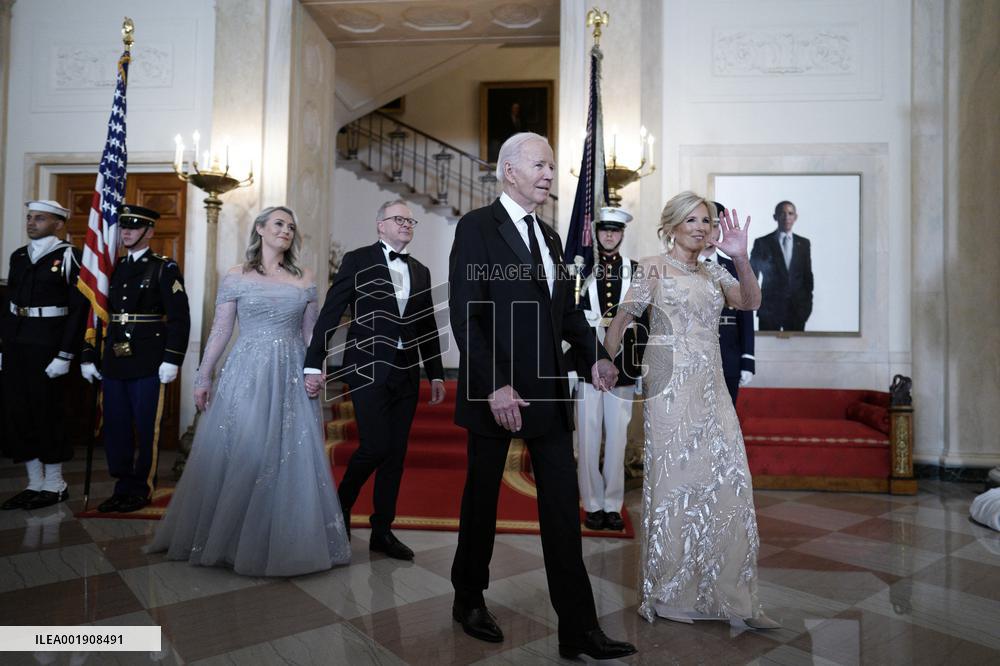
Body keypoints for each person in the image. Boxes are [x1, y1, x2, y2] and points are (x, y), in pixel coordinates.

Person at [448, 132, 637, 660]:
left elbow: (568, 315)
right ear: (510, 171)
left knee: (560, 510)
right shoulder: (476, 228)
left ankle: (578, 628)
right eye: (541, 165)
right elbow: (468, 312)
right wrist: (493, 385)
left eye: (553, 166)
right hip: (497, 393)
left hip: (551, 395)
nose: (551, 174)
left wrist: (596, 355)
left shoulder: (552, 238)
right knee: (480, 504)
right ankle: (468, 599)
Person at [604, 190, 779, 629]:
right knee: (676, 482)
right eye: (693, 220)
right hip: (668, 384)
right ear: (673, 224)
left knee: (727, 477)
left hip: (711, 384)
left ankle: (719, 591)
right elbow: (623, 320)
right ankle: (668, 592)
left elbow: (751, 302)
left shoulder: (716, 272)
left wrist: (740, 257)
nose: (701, 227)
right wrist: (605, 363)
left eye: (707, 221)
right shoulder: (652, 267)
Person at [149, 206, 350, 576]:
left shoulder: (304, 276)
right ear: (259, 229)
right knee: (246, 449)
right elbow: (221, 330)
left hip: (290, 372)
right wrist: (204, 375)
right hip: (247, 371)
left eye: (291, 226)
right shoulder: (236, 275)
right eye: (278, 223)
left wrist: (316, 371)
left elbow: (312, 334)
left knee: (287, 455)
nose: (286, 230)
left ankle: (283, 541)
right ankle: (229, 539)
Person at [304, 200, 445, 562]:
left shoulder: (421, 270)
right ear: (380, 224)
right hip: (366, 367)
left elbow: (427, 325)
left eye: (411, 221)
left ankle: (383, 530)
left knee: (395, 455)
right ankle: (340, 508)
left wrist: (437, 372)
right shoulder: (358, 260)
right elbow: (331, 312)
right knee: (376, 445)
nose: (406, 225)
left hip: (406, 370)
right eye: (399, 219)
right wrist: (312, 363)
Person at [79, 205, 191, 513]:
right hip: (114, 359)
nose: (126, 231)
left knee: (145, 426)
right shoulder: (112, 269)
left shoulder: (163, 268)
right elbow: (98, 314)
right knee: (115, 424)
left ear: (149, 232)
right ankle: (122, 485)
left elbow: (180, 318)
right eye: (124, 227)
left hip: (149, 359)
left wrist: (172, 358)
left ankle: (141, 487)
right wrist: (89, 354)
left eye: (134, 227)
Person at [0, 200, 87, 510]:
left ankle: (55, 484)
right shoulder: (19, 256)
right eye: (29, 217)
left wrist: (65, 354)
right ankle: (34, 482)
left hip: (48, 344)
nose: (31, 222)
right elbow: (10, 302)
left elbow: (78, 309)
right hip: (17, 342)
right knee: (18, 412)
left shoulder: (68, 257)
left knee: (47, 412)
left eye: (40, 218)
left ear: (58, 224)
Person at [573, 205, 645, 532]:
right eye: (604, 230)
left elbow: (646, 321)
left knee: (617, 437)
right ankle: (592, 504)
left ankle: (613, 504)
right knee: (588, 437)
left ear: (622, 234)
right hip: (587, 361)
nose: (610, 235)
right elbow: (571, 321)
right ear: (596, 233)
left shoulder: (637, 270)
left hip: (624, 363)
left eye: (615, 230)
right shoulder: (580, 269)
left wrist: (640, 367)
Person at [701, 201, 755, 404]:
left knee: (725, 425)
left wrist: (747, 359)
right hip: (690, 361)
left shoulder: (734, 267)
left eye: (715, 225)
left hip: (728, 355)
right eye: (704, 223)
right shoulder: (679, 267)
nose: (709, 231)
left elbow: (746, 314)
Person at [749, 200, 813, 331]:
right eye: (782, 213)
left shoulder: (804, 244)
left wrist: (806, 307)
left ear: (795, 217)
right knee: (768, 349)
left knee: (796, 350)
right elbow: (751, 277)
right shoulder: (762, 243)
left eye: (790, 213)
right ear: (775, 216)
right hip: (769, 310)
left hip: (797, 311)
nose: (786, 217)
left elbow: (807, 277)